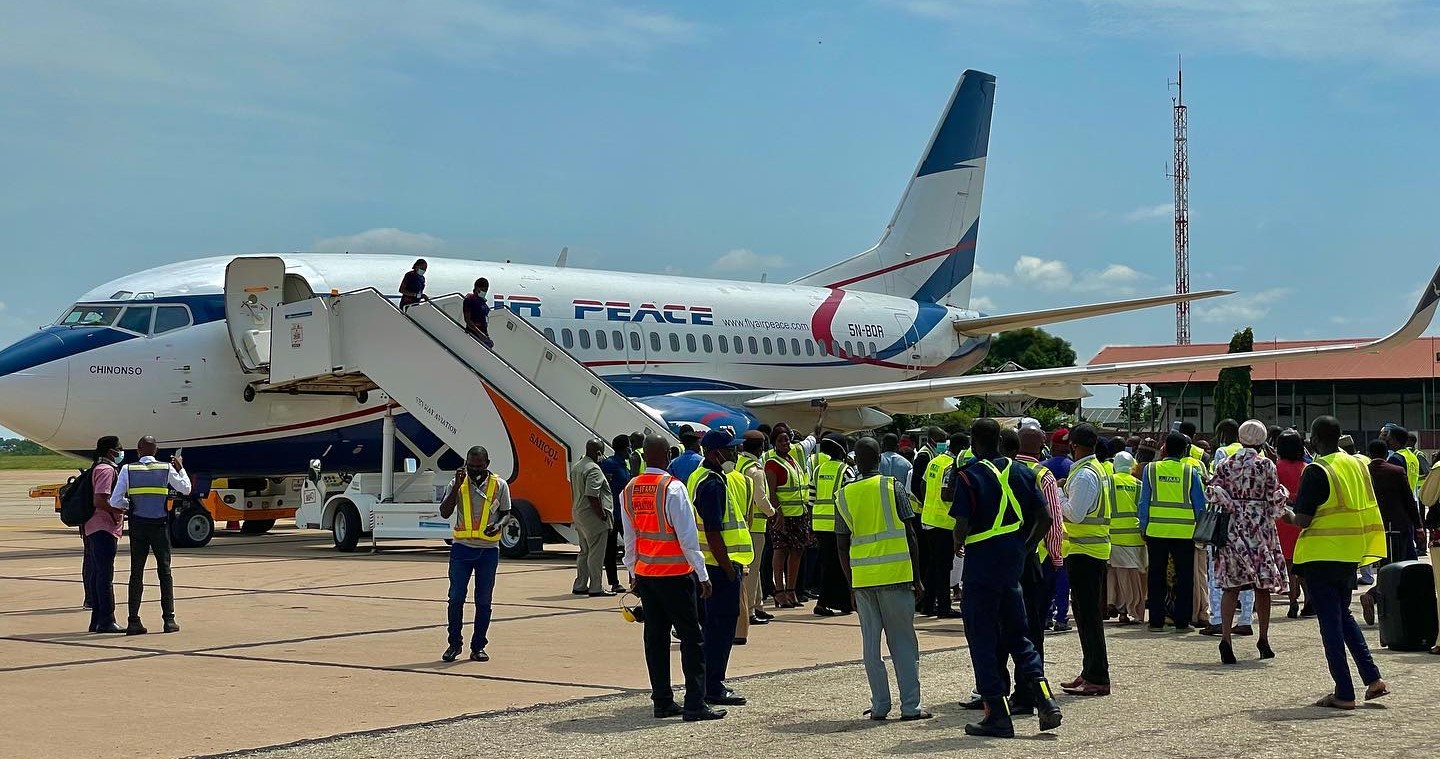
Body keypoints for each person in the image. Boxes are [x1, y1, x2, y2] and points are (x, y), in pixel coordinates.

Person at [951, 419, 1063, 737]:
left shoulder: (969, 476)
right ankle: (1045, 699)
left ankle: (997, 715)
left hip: (981, 570)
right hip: (1012, 568)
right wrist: (1025, 549)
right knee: (1020, 636)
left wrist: (958, 542)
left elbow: (961, 526)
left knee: (983, 641)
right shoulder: (1023, 473)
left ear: (975, 441)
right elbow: (1045, 518)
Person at [1284, 416, 1390, 709]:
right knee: (1343, 616)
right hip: (1351, 551)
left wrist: (1284, 513)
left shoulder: (1318, 469)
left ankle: (1344, 692)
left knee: (1330, 624)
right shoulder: (1357, 464)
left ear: (1315, 439)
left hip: (1321, 554)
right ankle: (1373, 679)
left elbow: (1302, 519)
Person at [621, 435, 725, 722]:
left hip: (646, 575)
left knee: (655, 639)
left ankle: (663, 701)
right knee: (692, 639)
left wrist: (633, 572)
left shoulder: (630, 490)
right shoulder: (673, 488)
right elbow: (688, 538)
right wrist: (703, 574)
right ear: (667, 455)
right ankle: (695, 703)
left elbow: (629, 539)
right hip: (676, 574)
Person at [834, 437, 931, 721]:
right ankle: (910, 707)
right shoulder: (892, 486)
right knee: (902, 643)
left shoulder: (844, 494)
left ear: (856, 460)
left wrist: (851, 582)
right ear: (880, 459)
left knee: (870, 646)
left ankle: (880, 705)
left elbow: (841, 545)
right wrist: (918, 577)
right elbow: (910, 533)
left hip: (863, 580)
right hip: (896, 575)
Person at [1204, 420, 1290, 664]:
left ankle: (1225, 639)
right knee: (1262, 587)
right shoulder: (1266, 465)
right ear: (1262, 440)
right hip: (1260, 528)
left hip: (1232, 529)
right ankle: (1263, 637)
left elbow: (1213, 491)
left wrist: (1232, 505)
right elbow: (1275, 498)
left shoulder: (1225, 463)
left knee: (1230, 586)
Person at [686, 429, 754, 706]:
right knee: (720, 629)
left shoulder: (698, 476)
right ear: (716, 453)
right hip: (718, 566)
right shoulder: (713, 483)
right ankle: (713, 685)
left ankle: (708, 683)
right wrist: (728, 567)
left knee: (710, 628)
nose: (735, 455)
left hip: (704, 565)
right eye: (731, 450)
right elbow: (714, 531)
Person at [110, 436, 191, 635]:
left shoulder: (128, 469)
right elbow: (186, 489)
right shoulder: (166, 468)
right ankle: (169, 620)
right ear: (156, 451)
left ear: (138, 451)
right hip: (160, 525)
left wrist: (132, 505)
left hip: (138, 525)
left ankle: (133, 620)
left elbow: (114, 501)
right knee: (164, 571)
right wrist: (181, 468)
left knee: (136, 572)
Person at [438, 446, 513, 662]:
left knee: (483, 601)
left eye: (478, 467)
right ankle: (454, 644)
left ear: (487, 464)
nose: (474, 470)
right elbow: (444, 513)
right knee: (456, 598)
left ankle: (478, 645)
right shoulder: (458, 483)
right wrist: (457, 486)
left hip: (488, 550)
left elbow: (507, 513)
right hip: (462, 548)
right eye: (470, 466)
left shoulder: (499, 484)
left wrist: (498, 525)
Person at [1057, 424, 1112, 697]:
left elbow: (1075, 514)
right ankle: (1090, 671)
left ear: (1074, 446)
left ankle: (1098, 676)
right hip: (1088, 552)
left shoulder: (1085, 475)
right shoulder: (1096, 469)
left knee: (1088, 617)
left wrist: (1057, 497)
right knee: (1084, 615)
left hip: (1085, 553)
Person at [1138, 431, 1205, 632]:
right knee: (1184, 577)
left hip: (1156, 530)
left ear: (1164, 448)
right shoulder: (1190, 471)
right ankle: (1182, 622)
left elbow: (1144, 502)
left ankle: (1156, 621)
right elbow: (1200, 505)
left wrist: (1143, 526)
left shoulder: (1150, 470)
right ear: (1185, 451)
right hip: (1185, 533)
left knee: (1156, 576)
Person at [1359, 438, 1423, 625]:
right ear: (1386, 453)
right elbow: (1408, 501)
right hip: (1398, 526)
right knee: (1400, 566)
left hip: (1374, 527)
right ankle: (1377, 598)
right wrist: (1418, 525)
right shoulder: (1396, 471)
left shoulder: (1363, 473)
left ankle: (1379, 599)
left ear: (1369, 455)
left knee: (1385, 566)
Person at [764, 423, 812, 608]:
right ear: (774, 443)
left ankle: (792, 590)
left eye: (787, 439)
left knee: (797, 551)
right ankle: (779, 591)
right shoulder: (772, 463)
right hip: (783, 516)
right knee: (780, 551)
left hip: (799, 514)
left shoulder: (794, 460)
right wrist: (778, 513)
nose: (785, 443)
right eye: (781, 440)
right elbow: (772, 491)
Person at [918, 432, 964, 619]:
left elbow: (922, 485)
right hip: (944, 523)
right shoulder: (951, 466)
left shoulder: (935, 461)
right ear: (961, 447)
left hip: (928, 519)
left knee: (933, 565)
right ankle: (944, 606)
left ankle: (927, 605)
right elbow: (946, 494)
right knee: (944, 567)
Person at [83, 436, 125, 634]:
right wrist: (115, 512)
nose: (121, 452)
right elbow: (100, 500)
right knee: (104, 576)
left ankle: (96, 621)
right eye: (119, 449)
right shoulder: (106, 470)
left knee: (98, 574)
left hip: (93, 527)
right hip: (103, 528)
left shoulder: (97, 468)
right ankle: (107, 620)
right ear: (111, 451)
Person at [736, 431, 776, 635]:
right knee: (752, 570)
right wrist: (772, 512)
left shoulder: (739, 465)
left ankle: (758, 605)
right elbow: (761, 499)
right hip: (756, 525)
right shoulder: (756, 470)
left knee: (755, 568)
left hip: (743, 522)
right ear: (760, 448)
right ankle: (750, 610)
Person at [810, 436, 854, 616]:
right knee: (840, 564)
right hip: (838, 523)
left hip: (819, 522)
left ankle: (842, 602)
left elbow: (811, 498)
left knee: (828, 563)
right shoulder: (846, 470)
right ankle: (825, 602)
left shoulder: (819, 469)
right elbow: (850, 496)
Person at [570, 439, 615, 597]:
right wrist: (602, 515)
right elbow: (592, 495)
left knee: (584, 552)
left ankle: (580, 584)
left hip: (579, 514)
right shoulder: (594, 469)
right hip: (592, 516)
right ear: (598, 452)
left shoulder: (578, 466)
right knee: (596, 553)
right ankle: (596, 586)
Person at [1106, 451, 1146, 625]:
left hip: (1113, 536)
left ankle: (1119, 607)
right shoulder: (1139, 484)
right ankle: (1132, 610)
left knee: (1116, 575)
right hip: (1136, 537)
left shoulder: (1107, 482)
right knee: (1134, 577)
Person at [1274, 430, 1310, 618]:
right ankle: (1308, 599)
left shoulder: (1276, 467)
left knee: (1287, 563)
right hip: (1302, 517)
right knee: (1302, 561)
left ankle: (1292, 599)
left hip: (1282, 517)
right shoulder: (1307, 467)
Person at [600, 435, 633, 594]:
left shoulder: (624, 465)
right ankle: (614, 582)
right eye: (629, 447)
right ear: (626, 448)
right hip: (613, 514)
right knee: (611, 550)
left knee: (631, 548)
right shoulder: (609, 465)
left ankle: (633, 580)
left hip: (625, 514)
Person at [462, 277, 494, 348]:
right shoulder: (470, 299)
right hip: (474, 334)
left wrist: (485, 335)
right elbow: (467, 320)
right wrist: (480, 334)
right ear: (477, 288)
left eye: (486, 290)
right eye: (483, 290)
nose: (484, 292)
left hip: (483, 332)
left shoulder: (482, 302)